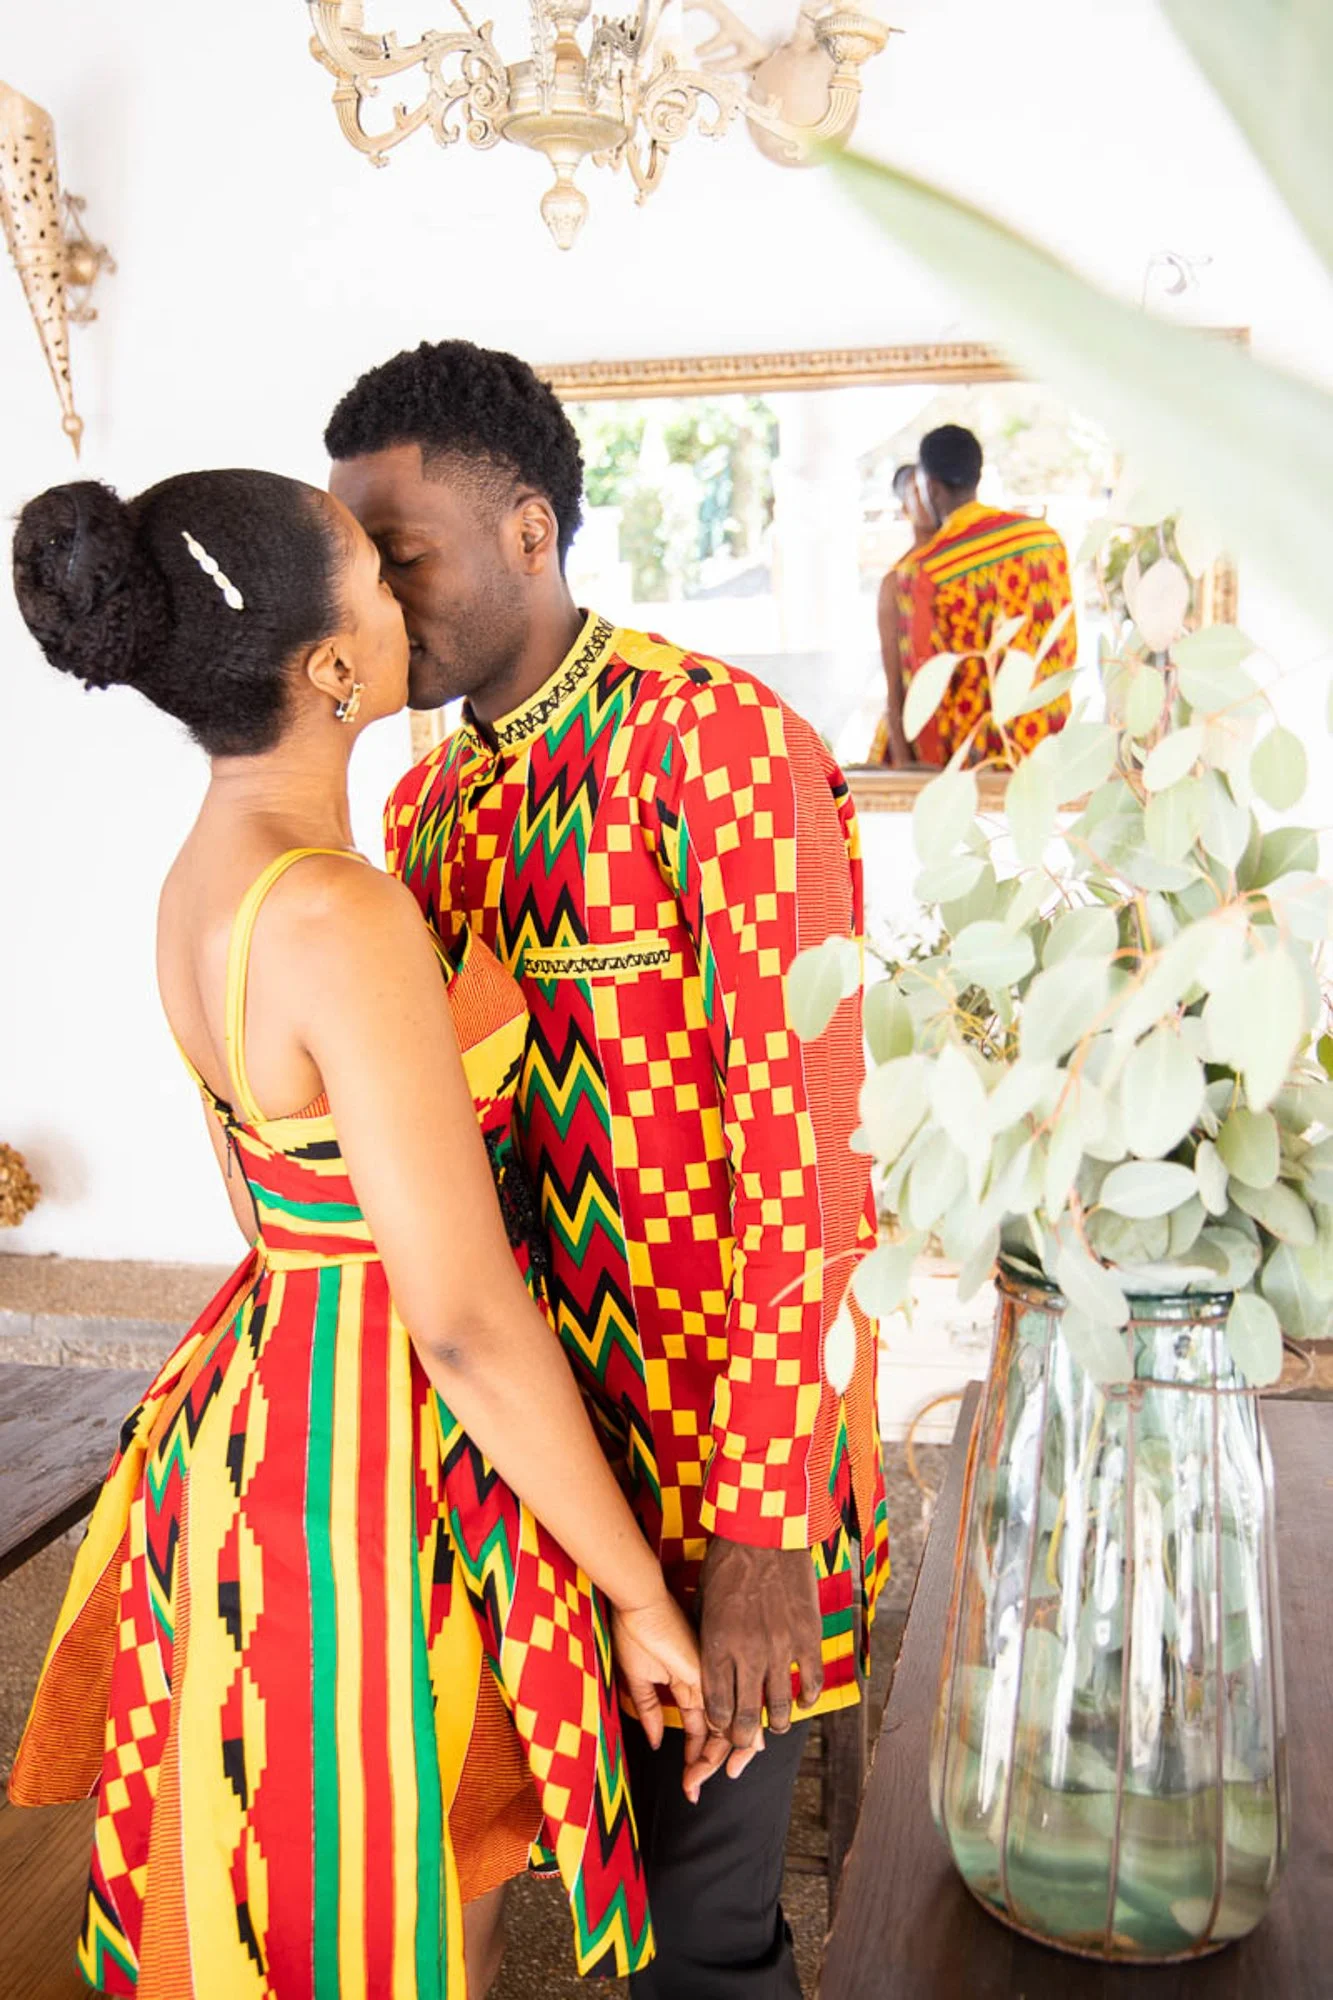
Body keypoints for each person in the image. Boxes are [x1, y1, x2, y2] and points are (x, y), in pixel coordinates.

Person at [7, 470, 720, 2000]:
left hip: (252, 1401)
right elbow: (459, 1317)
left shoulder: (201, 879)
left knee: (294, 1858)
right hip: (360, 1464)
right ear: (333, 667)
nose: (410, 605)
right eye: (378, 586)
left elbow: (281, 1201)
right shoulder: (338, 911)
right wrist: (638, 1591)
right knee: (383, 1867)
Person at [327, 340, 889, 2000]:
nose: (377, 597)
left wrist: (763, 1532)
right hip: (532, 1471)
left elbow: (808, 1151)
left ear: (525, 530)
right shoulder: (426, 811)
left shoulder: (716, 745)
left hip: (720, 1476)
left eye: (400, 550)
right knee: (560, 1894)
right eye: (354, 563)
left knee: (703, 1939)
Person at [875, 423, 1077, 767]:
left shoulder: (925, 573)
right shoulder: (1044, 540)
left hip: (973, 770)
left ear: (931, 487)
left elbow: (923, 695)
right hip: (1048, 752)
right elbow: (1064, 648)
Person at [868, 461, 936, 765]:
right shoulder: (896, 583)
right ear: (905, 508)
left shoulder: (962, 567)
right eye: (917, 491)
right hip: (913, 738)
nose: (929, 497)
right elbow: (894, 684)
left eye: (932, 487)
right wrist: (904, 759)